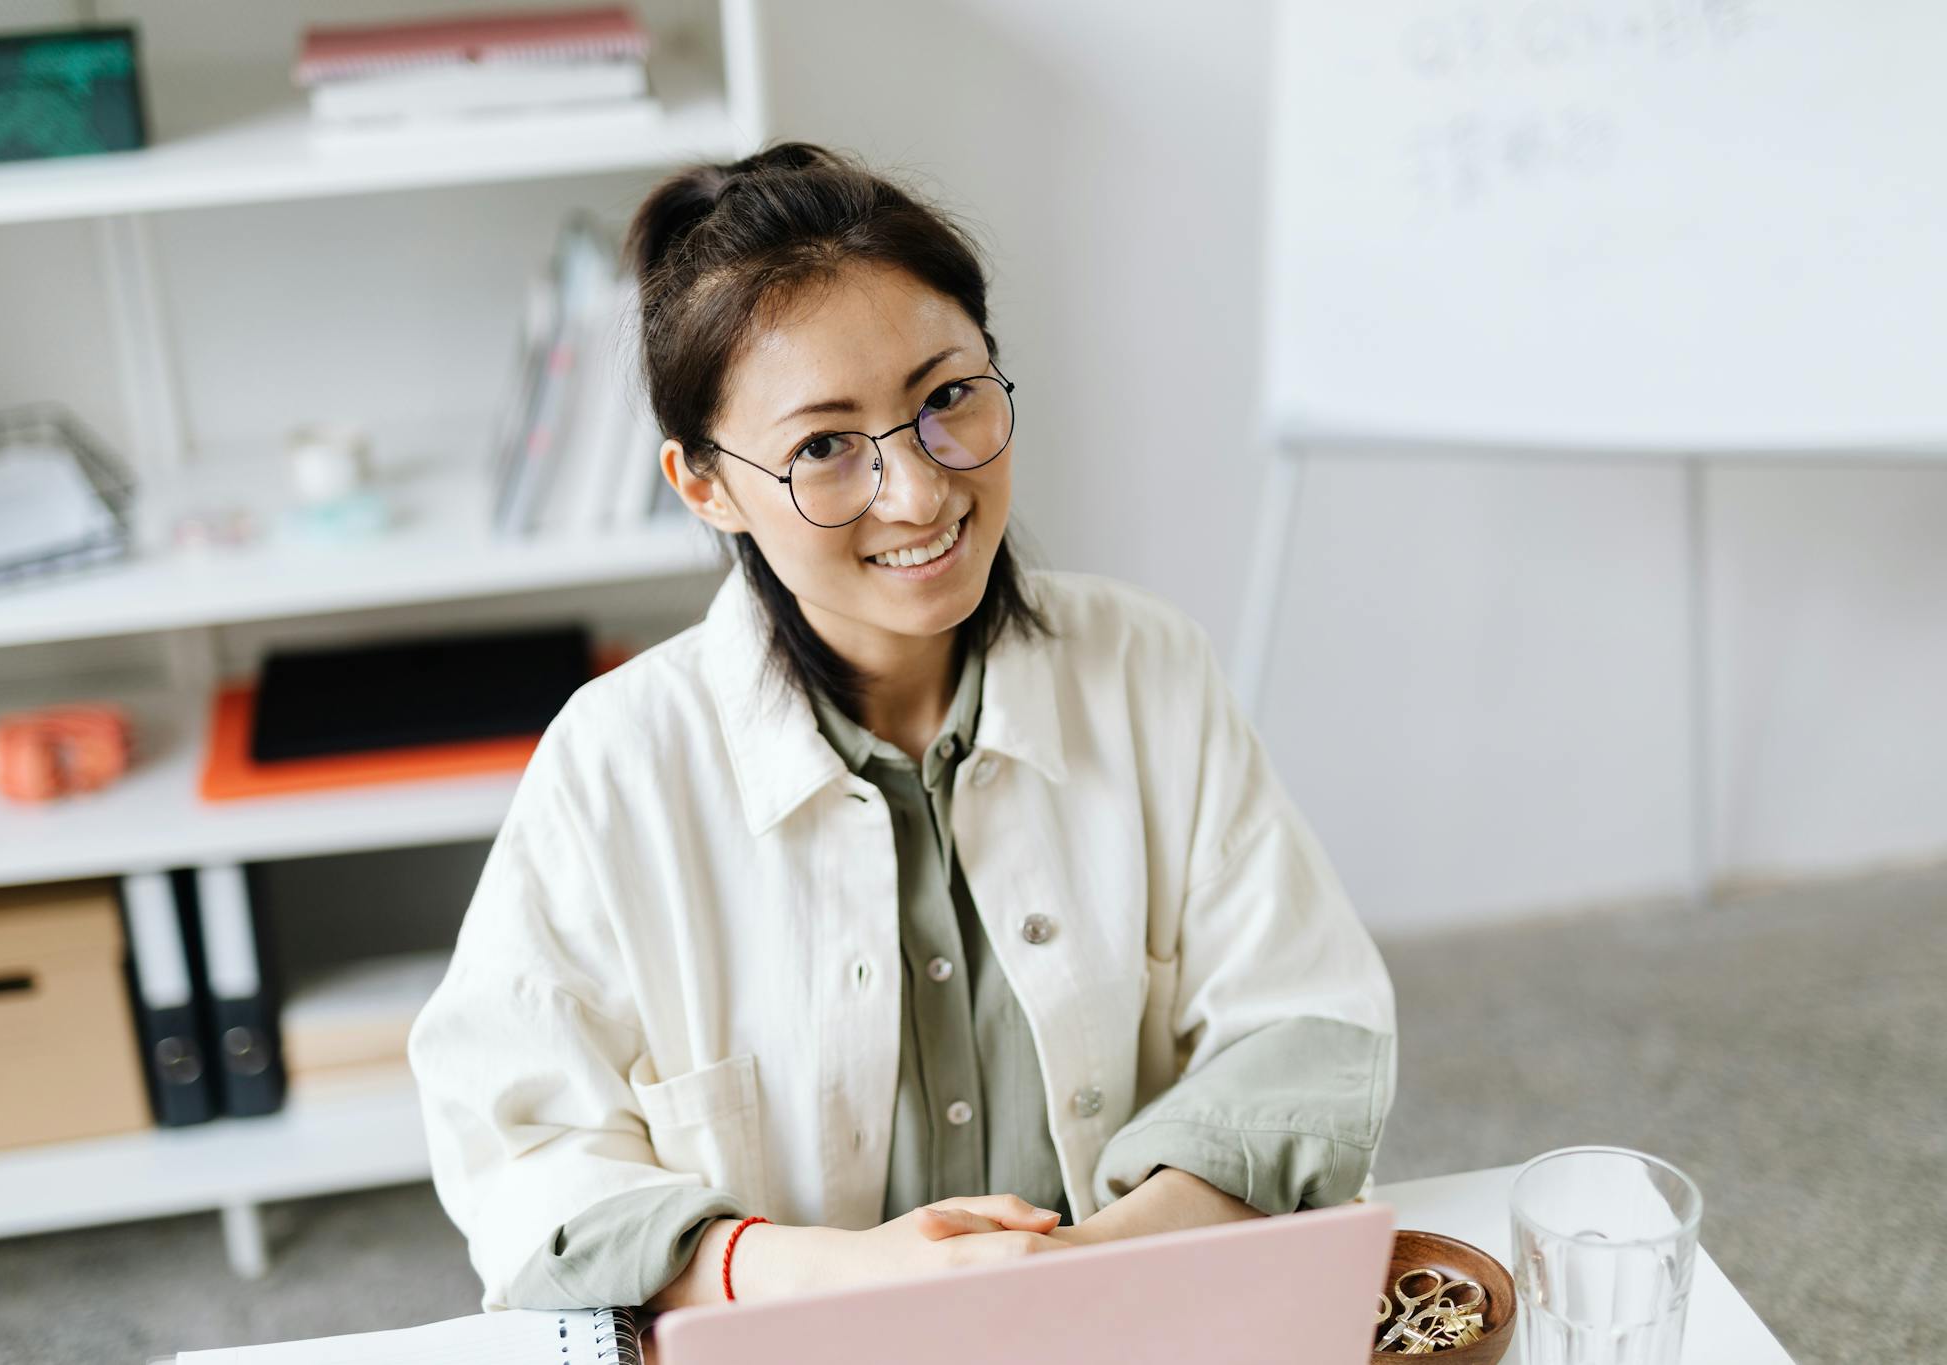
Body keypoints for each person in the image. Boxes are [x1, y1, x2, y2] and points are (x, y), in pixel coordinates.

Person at [406, 141, 1397, 1315]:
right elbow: (519, 1159)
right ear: (704, 486)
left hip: (1131, 1315)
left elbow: (1303, 1029)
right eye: (821, 446)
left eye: (946, 400)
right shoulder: (613, 764)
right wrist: (844, 1275)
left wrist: (1081, 1271)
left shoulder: (1146, 667)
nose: (919, 495)